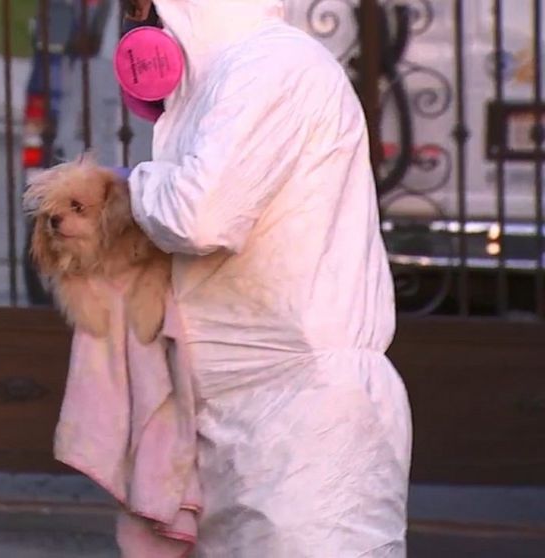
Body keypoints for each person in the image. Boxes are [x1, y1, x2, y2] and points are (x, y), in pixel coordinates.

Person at [116, 0, 414, 556]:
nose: (134, 20)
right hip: (236, 419)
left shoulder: (271, 67)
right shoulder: (217, 78)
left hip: (306, 427)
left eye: (138, 6)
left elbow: (199, 217)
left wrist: (128, 187)